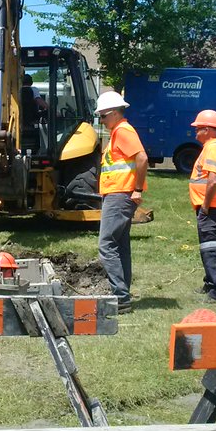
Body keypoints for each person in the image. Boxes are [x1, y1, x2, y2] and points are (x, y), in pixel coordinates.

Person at [95, 90, 148, 314]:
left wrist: (137, 189)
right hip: (119, 194)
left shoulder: (123, 131)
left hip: (120, 195)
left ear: (115, 113)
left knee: (106, 246)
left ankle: (120, 296)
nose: (101, 120)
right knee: (120, 245)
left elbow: (142, 158)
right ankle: (123, 294)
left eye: (103, 116)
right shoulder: (118, 132)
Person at [189, 109, 216, 302]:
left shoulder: (213, 148)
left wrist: (205, 206)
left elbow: (212, 180)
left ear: (207, 129)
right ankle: (210, 283)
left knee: (211, 247)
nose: (195, 132)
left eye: (198, 129)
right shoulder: (213, 146)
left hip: (211, 207)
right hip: (210, 206)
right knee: (207, 245)